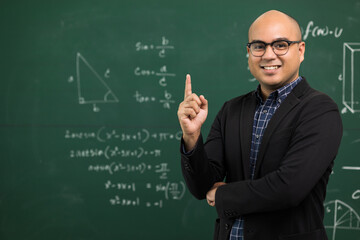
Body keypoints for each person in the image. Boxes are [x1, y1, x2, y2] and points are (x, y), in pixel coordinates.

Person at [177, 10, 343, 240]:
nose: (268, 55)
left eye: (281, 45)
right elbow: (201, 187)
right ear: (249, 52)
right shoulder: (231, 110)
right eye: (259, 46)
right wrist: (192, 136)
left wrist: (224, 194)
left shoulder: (320, 110)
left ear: (301, 50)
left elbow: (289, 188)